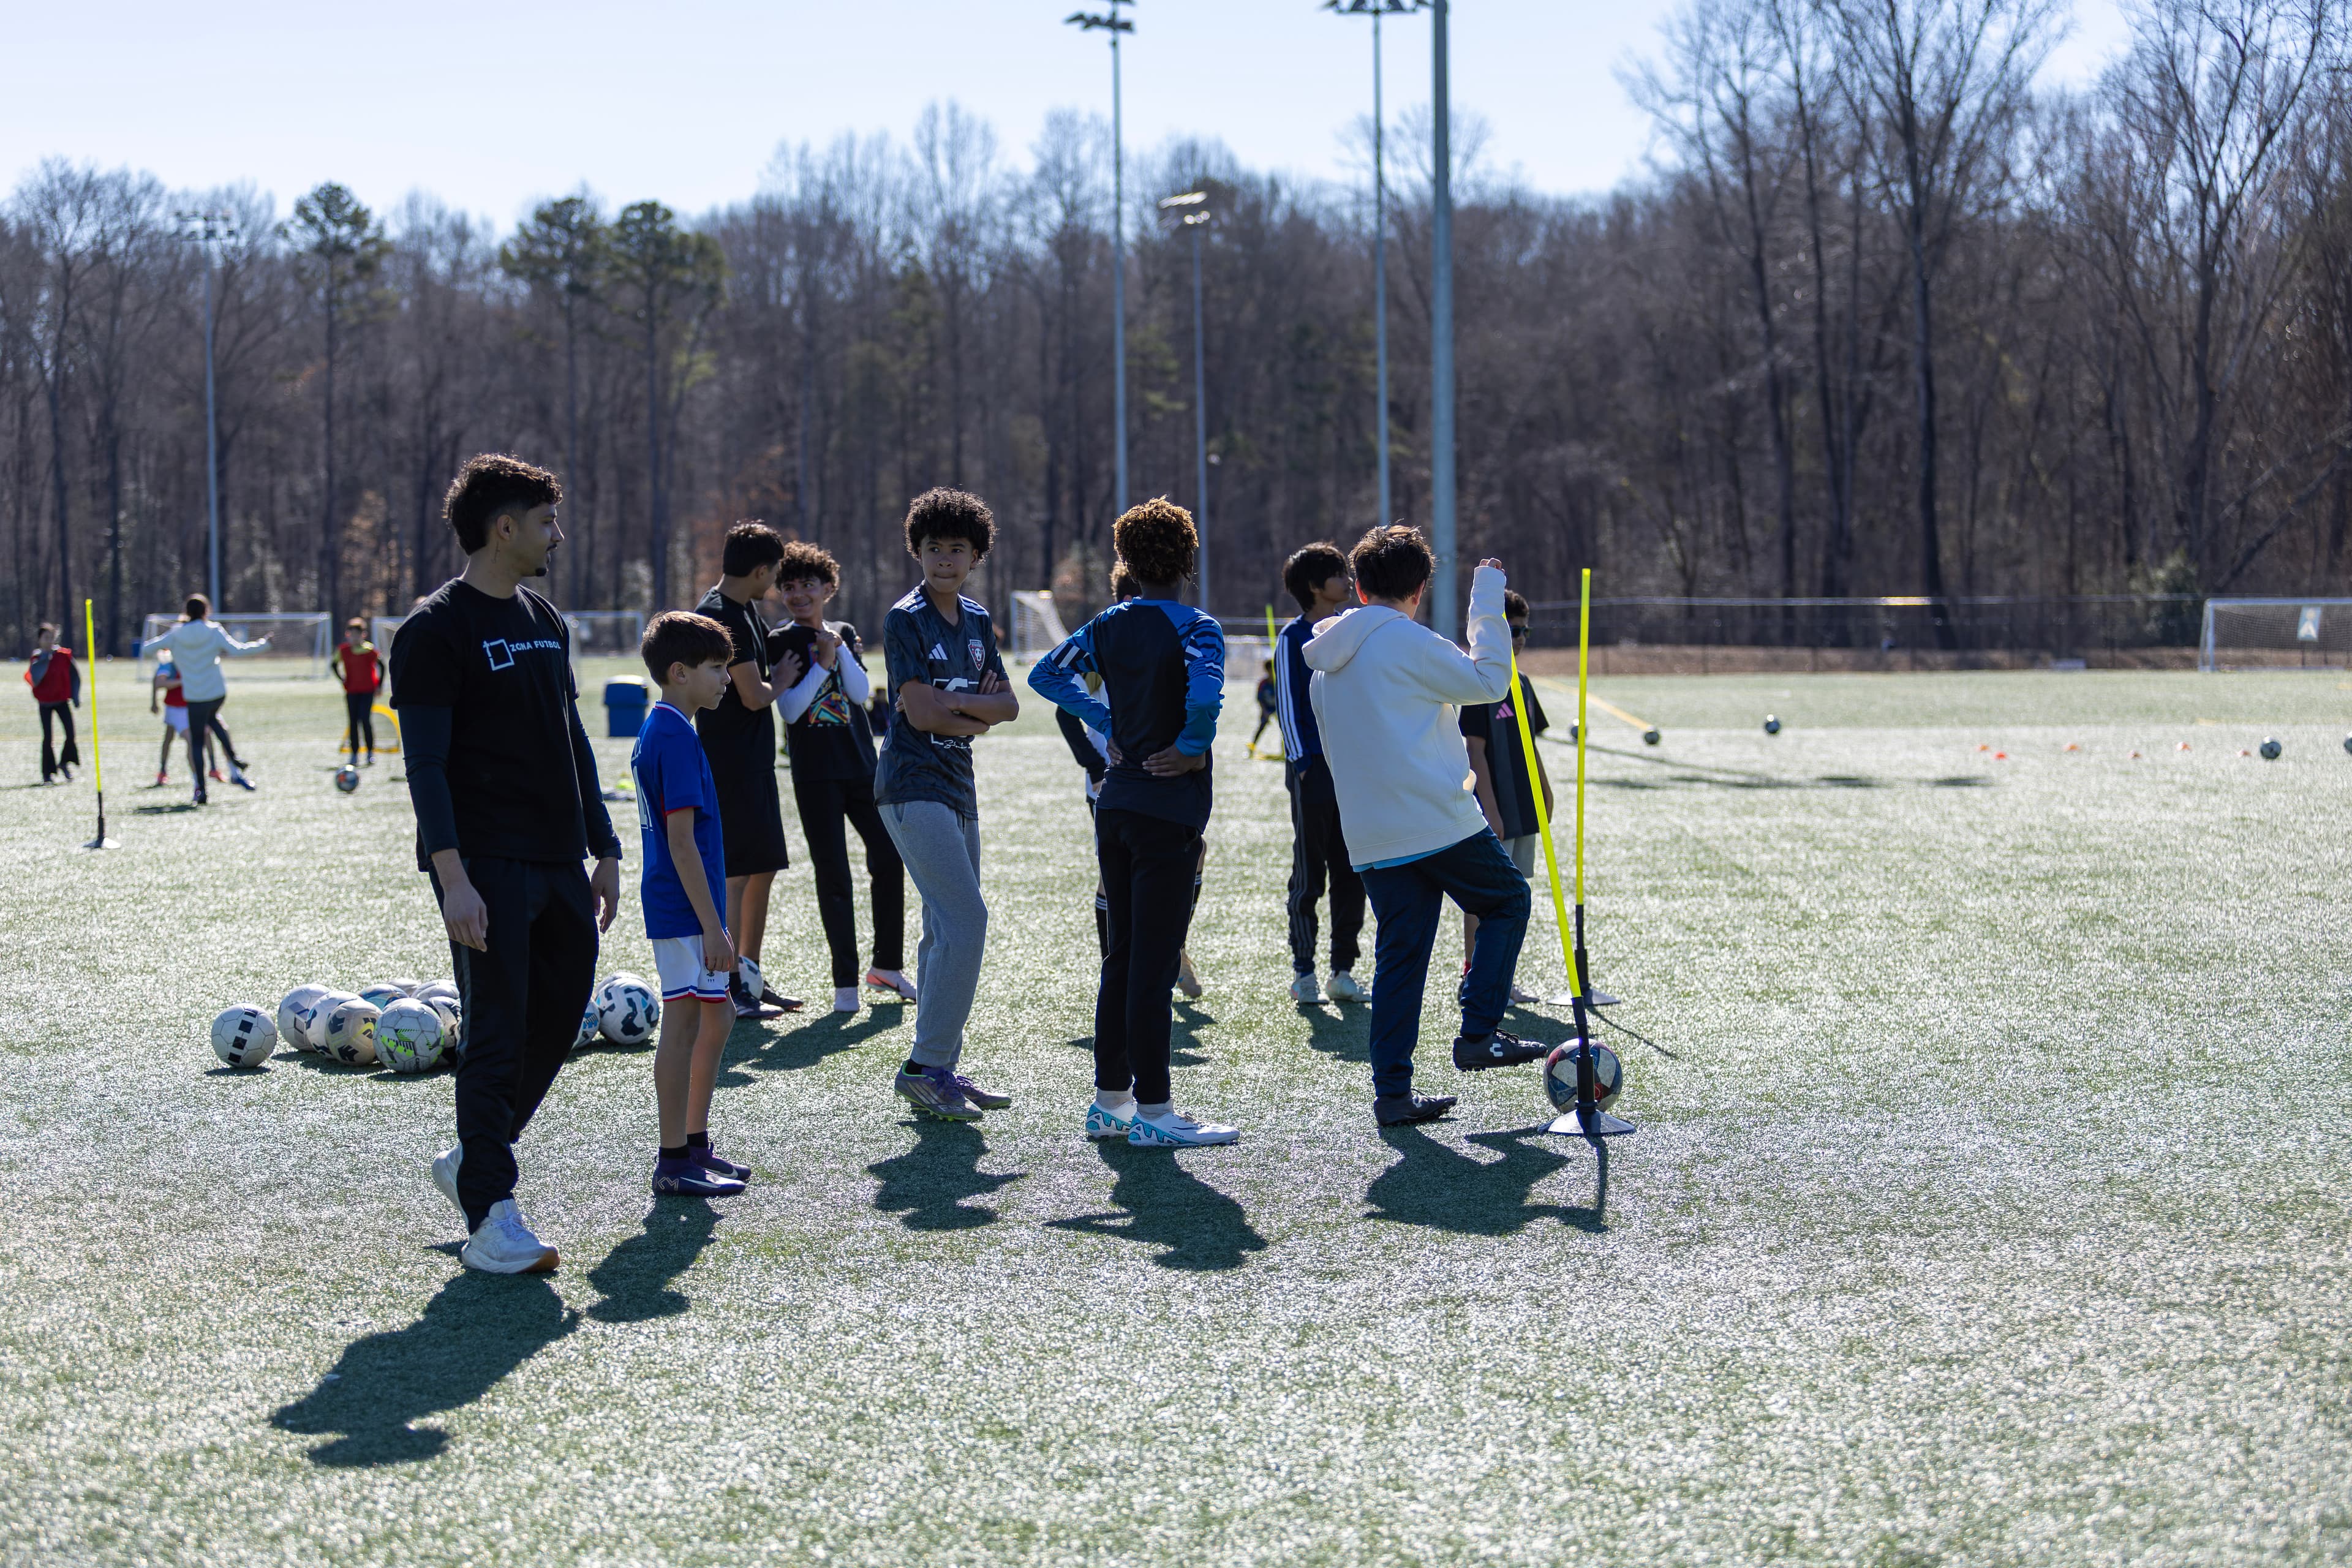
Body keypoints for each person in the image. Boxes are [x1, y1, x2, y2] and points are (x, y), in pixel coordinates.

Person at [391, 452, 625, 1275]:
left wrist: (605, 846)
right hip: (484, 862)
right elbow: (425, 766)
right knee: (495, 1029)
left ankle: (473, 1156)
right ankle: (492, 1216)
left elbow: (572, 737)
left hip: (558, 857)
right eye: (546, 522)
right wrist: (452, 878)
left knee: (559, 1016)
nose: (556, 535)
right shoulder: (433, 630)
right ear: (503, 527)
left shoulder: (545, 618)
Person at [1303, 526, 1548, 1126]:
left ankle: (1393, 1095)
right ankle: (1479, 1032)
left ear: (1359, 588)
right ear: (1418, 591)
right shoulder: (1407, 640)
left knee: (1401, 958)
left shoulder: (1324, 662)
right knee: (1508, 900)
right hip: (1435, 819)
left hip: (1370, 832)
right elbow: (1490, 683)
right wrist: (1486, 598)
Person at [1030, 497, 1238, 1148]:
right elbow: (1205, 694)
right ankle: (1155, 1112)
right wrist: (1193, 746)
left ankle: (1110, 1102)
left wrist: (1106, 722)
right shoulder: (1198, 627)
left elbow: (1046, 674)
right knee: (1153, 962)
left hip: (1115, 806)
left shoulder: (1107, 624)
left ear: (1127, 560)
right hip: (1166, 808)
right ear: (1189, 560)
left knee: (1120, 957)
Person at [873, 487, 1019, 1123]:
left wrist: (957, 706)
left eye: (957, 549)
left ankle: (940, 1068)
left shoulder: (980, 621)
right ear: (919, 551)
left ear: (975, 555)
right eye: (934, 548)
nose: (944, 559)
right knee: (967, 919)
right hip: (911, 784)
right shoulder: (904, 618)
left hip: (960, 786)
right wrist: (970, 711)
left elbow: (1009, 706)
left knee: (942, 928)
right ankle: (924, 1066)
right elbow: (920, 712)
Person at [631, 610, 753, 1198]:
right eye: (716, 668)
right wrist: (712, 926)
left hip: (691, 908)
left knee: (719, 1015)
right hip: (684, 911)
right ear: (679, 672)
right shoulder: (674, 736)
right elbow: (680, 842)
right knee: (681, 1026)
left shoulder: (671, 726)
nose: (726, 678)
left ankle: (695, 1143)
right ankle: (673, 1159)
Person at [769, 540, 913, 1014]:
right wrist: (821, 666)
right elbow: (790, 711)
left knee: (888, 858)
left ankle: (886, 967)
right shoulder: (780, 641)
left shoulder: (844, 632)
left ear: (828, 588)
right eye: (789, 587)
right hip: (814, 775)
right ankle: (844, 982)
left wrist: (838, 651)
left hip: (860, 768)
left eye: (808, 585)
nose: (798, 595)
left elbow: (857, 692)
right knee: (833, 874)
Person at [695, 521, 805, 1019]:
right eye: (776, 572)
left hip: (754, 763)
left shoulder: (743, 610)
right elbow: (753, 695)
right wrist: (780, 679)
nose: (777, 582)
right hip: (731, 765)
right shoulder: (721, 617)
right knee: (737, 875)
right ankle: (729, 985)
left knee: (762, 868)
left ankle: (751, 976)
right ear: (761, 570)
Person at [1275, 543, 1368, 1006]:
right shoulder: (1292, 638)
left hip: (1353, 774)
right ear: (1314, 586)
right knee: (1310, 873)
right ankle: (1304, 972)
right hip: (1313, 773)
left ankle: (1342, 971)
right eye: (1337, 573)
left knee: (1353, 871)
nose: (1347, 580)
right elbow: (1288, 705)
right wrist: (1303, 765)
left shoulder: (1352, 630)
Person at [1461, 590, 1556, 1005]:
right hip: (1494, 811)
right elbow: (1475, 750)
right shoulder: (1480, 682)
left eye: (1524, 631)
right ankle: (1473, 974)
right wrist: (1491, 810)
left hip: (1522, 806)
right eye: (1511, 631)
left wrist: (1545, 791)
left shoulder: (1525, 684)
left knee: (1514, 896)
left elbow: (1530, 744)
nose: (1519, 639)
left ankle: (1502, 977)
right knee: (1485, 897)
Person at [137, 594, 267, 804]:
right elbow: (238, 650)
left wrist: (171, 653)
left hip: (194, 695)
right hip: (216, 692)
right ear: (206, 611)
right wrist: (264, 644)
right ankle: (233, 758)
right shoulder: (214, 630)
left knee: (197, 742)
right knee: (213, 718)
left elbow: (147, 649)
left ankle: (202, 789)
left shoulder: (177, 633)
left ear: (186, 612)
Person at [25, 623, 80, 783]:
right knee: (48, 738)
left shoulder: (63, 655)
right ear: (39, 640)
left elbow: (75, 676)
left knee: (71, 734)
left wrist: (75, 695)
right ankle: (47, 773)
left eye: (51, 638)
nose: (49, 641)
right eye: (46, 638)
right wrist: (45, 659)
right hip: (45, 703)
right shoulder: (37, 658)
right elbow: (35, 678)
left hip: (62, 701)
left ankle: (64, 762)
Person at [333, 618, 383, 764]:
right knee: (353, 722)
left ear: (363, 635)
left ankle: (370, 752)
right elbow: (334, 665)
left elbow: (382, 666)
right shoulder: (343, 650)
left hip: (368, 690)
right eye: (352, 634)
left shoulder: (370, 650)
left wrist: (379, 685)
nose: (354, 638)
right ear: (347, 634)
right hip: (352, 691)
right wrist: (342, 679)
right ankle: (354, 754)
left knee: (365, 720)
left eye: (357, 634)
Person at [152, 653, 186, 783]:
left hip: (191, 705)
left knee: (205, 736)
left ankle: (212, 768)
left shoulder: (192, 656)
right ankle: (162, 770)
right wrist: (154, 702)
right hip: (174, 706)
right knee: (169, 738)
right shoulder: (169, 661)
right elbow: (158, 682)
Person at [1247, 659, 1276, 756]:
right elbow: (1259, 699)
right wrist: (1265, 712)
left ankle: (1285, 750)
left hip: (1277, 709)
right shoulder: (1263, 683)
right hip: (1267, 709)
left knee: (1284, 728)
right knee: (1262, 726)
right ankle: (1252, 747)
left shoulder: (1279, 682)